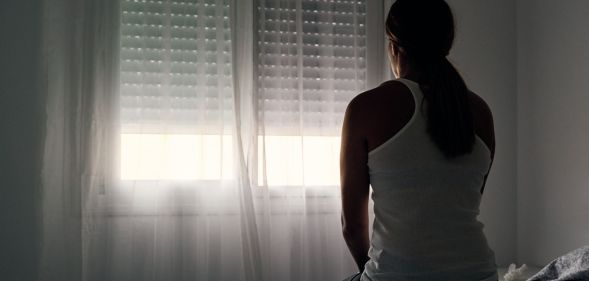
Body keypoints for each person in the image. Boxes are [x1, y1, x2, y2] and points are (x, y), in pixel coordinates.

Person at [340, 0, 497, 280]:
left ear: (393, 45)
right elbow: (461, 204)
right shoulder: (480, 112)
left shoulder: (365, 108)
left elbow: (351, 226)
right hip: (479, 273)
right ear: (446, 44)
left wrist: (371, 269)